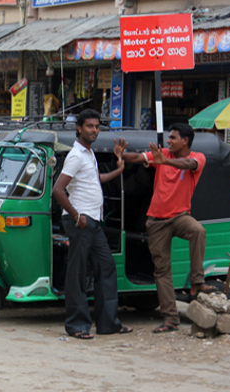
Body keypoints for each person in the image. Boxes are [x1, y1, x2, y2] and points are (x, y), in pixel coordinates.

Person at [115, 123, 217, 334]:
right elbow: (139, 158)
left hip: (180, 216)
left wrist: (166, 161)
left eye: (173, 138)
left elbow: (190, 164)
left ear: (185, 141)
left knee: (198, 231)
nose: (168, 141)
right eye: (169, 137)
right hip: (156, 221)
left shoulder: (198, 157)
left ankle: (197, 282)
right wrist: (122, 155)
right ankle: (170, 319)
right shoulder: (161, 153)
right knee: (162, 271)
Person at [52, 109, 133, 339]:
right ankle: (77, 326)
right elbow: (58, 190)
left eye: (97, 127)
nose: (94, 130)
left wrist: (119, 168)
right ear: (79, 128)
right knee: (78, 273)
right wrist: (77, 217)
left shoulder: (89, 153)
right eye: (90, 126)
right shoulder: (76, 155)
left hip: (93, 222)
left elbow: (95, 180)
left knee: (106, 267)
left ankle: (108, 323)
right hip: (80, 222)